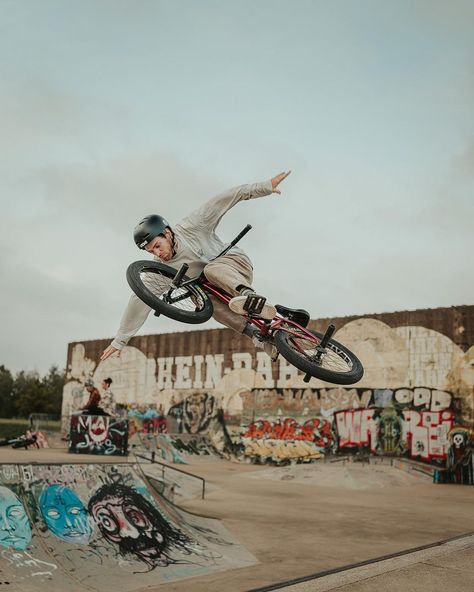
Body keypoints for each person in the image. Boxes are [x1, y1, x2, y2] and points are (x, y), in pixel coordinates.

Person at [101, 171, 291, 363]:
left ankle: (249, 296)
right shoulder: (160, 271)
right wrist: (120, 340)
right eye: (151, 252)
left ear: (167, 233)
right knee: (204, 303)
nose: (157, 254)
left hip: (234, 264)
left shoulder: (193, 226)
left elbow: (228, 197)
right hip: (213, 288)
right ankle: (260, 336)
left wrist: (265, 186)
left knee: (211, 270)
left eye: (157, 246)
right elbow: (139, 300)